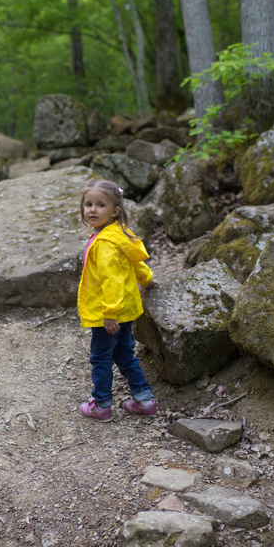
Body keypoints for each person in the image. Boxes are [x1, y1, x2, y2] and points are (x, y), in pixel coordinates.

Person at [76, 179, 158, 422]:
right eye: (88, 204)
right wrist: (147, 279)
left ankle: (101, 405)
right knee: (125, 355)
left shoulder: (105, 244)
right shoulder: (118, 234)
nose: (92, 209)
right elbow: (135, 263)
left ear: (114, 211)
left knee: (101, 358)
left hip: (109, 315)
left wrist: (109, 313)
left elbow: (111, 280)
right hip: (127, 310)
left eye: (100, 205)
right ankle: (145, 400)